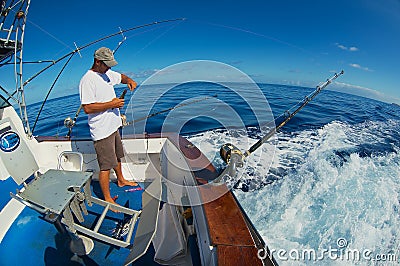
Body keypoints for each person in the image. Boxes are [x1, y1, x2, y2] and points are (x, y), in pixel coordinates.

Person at [79, 47, 138, 205]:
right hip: (102, 131)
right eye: (107, 64)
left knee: (118, 156)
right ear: (97, 62)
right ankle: (107, 199)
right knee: (105, 166)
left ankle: (121, 180)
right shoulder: (87, 80)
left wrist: (130, 81)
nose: (110, 67)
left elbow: (122, 77)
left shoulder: (107, 74)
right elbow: (88, 108)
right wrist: (112, 104)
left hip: (113, 125)